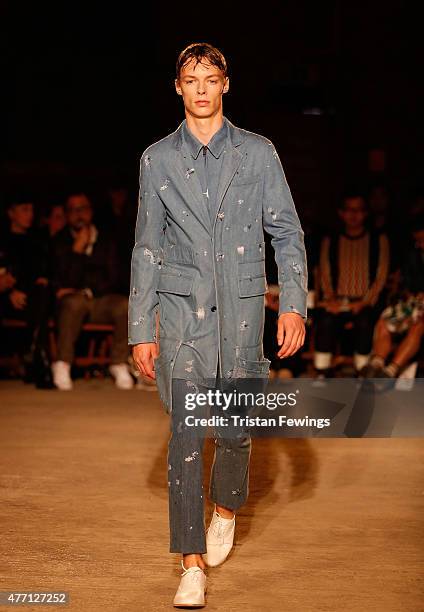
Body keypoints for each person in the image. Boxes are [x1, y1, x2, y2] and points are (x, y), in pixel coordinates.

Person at [128, 42, 307, 608]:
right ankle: (190, 563)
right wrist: (140, 326)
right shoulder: (156, 160)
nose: (201, 88)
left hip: (243, 309)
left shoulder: (258, 154)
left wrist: (295, 304)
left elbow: (288, 233)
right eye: (190, 78)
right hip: (182, 315)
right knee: (185, 434)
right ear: (177, 88)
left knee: (232, 428)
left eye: (210, 77)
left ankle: (226, 506)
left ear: (226, 84)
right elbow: (146, 247)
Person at [51, 191, 133, 390]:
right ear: (67, 214)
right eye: (73, 210)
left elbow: (115, 278)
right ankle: (63, 363)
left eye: (83, 209)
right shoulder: (59, 241)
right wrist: (77, 252)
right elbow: (63, 280)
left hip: (100, 300)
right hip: (74, 303)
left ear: (91, 211)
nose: (79, 214)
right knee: (73, 302)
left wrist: (87, 290)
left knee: (124, 305)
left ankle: (118, 363)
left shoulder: (106, 240)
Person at [314, 191, 390, 376]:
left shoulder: (377, 240)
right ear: (341, 213)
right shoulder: (331, 240)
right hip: (337, 301)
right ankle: (322, 372)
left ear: (365, 213)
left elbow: (381, 275)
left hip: (365, 302)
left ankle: (361, 371)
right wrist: (331, 300)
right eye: (349, 210)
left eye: (358, 210)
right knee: (326, 320)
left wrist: (364, 302)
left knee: (364, 322)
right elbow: (324, 272)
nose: (353, 215)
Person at [362, 215, 424, 378]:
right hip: (414, 303)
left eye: (422, 240)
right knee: (385, 320)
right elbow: (409, 285)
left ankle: (391, 371)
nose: (419, 245)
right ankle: (376, 365)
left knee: (419, 325)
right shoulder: (415, 256)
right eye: (417, 241)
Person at [0, 195, 53, 387]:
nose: (29, 215)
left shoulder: (38, 241)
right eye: (24, 209)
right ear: (11, 213)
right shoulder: (4, 240)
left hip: (32, 300)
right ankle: (38, 357)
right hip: (6, 298)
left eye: (31, 210)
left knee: (42, 293)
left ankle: (34, 352)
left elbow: (42, 273)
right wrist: (9, 292)